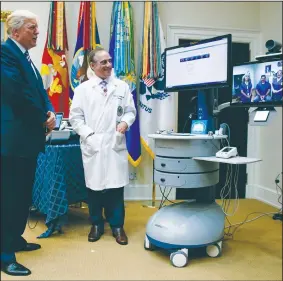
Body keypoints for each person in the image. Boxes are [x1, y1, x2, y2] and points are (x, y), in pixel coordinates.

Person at [1, 10, 56, 276]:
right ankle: (4, 254)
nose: (37, 32)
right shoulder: (5, 53)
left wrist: (50, 112)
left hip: (26, 142)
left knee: (22, 196)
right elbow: (17, 94)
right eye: (32, 27)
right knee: (8, 198)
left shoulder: (27, 59)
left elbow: (39, 91)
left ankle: (14, 239)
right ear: (15, 32)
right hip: (11, 143)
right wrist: (42, 118)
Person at [69, 48, 136, 246]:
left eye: (109, 61)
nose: (108, 65)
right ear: (92, 66)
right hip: (94, 143)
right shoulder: (83, 89)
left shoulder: (121, 87)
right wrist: (89, 135)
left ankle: (117, 226)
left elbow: (130, 112)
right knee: (94, 186)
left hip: (114, 142)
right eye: (103, 62)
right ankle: (96, 224)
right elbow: (75, 117)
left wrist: (125, 123)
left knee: (116, 186)